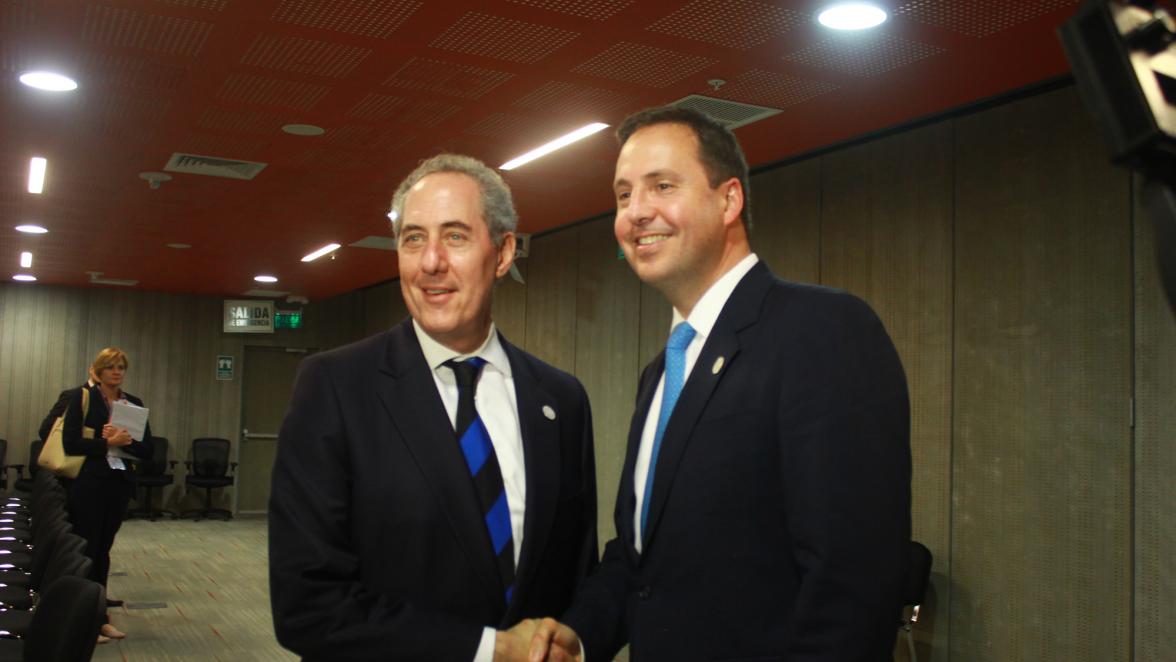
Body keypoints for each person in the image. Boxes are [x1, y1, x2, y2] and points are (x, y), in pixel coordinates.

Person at [530, 106, 912, 661]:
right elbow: (641, 562)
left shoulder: (822, 330)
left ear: (729, 200)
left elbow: (851, 582)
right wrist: (581, 635)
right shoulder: (661, 373)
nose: (637, 212)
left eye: (662, 186)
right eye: (622, 195)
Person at [269, 154, 598, 661]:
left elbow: (577, 574)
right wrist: (488, 650)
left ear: (504, 251)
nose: (430, 262)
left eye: (456, 236)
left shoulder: (561, 400)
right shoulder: (335, 387)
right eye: (413, 238)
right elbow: (308, 606)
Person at [62, 347, 154, 643]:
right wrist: (106, 443)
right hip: (89, 484)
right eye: (111, 367)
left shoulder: (133, 404)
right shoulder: (83, 398)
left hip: (119, 483)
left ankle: (100, 618)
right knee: (87, 550)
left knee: (103, 552)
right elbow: (71, 443)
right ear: (99, 371)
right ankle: (79, 619)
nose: (117, 372)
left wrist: (125, 442)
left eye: (121, 367)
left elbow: (146, 449)